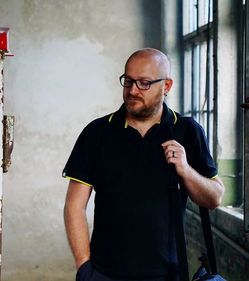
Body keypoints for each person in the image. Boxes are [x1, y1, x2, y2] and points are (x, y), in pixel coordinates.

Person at [63, 48, 225, 281]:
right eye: (128, 81)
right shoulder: (97, 133)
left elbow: (214, 198)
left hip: (168, 275)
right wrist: (84, 268)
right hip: (104, 273)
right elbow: (74, 206)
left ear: (166, 86)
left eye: (144, 83)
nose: (132, 90)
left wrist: (186, 170)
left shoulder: (187, 131)